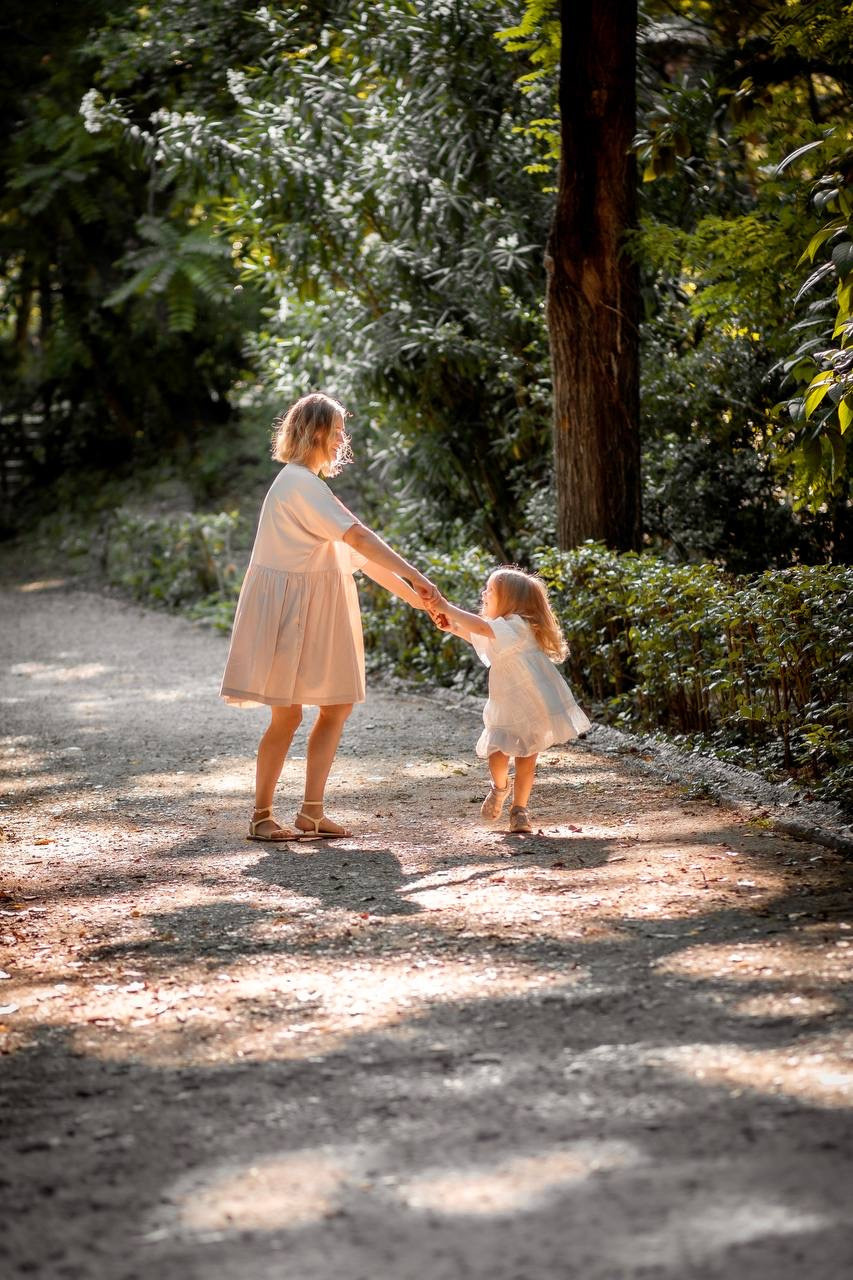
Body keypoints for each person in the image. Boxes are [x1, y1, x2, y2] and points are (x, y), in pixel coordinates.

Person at [220, 391, 440, 841]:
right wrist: (418, 576)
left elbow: (357, 556)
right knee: (287, 716)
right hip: (290, 611)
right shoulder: (298, 483)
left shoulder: (311, 486)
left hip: (316, 607)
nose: (343, 438)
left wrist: (417, 597)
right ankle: (261, 816)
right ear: (317, 431)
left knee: (335, 706)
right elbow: (359, 537)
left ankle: (312, 812)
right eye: (337, 430)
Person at [429, 566, 591, 832]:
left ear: (510, 600)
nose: (484, 593)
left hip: (533, 705)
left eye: (490, 590)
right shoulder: (501, 628)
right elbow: (477, 635)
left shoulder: (517, 624)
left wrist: (446, 607)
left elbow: (481, 627)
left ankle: (520, 810)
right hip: (506, 704)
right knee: (498, 752)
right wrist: (452, 627)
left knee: (527, 759)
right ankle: (499, 788)